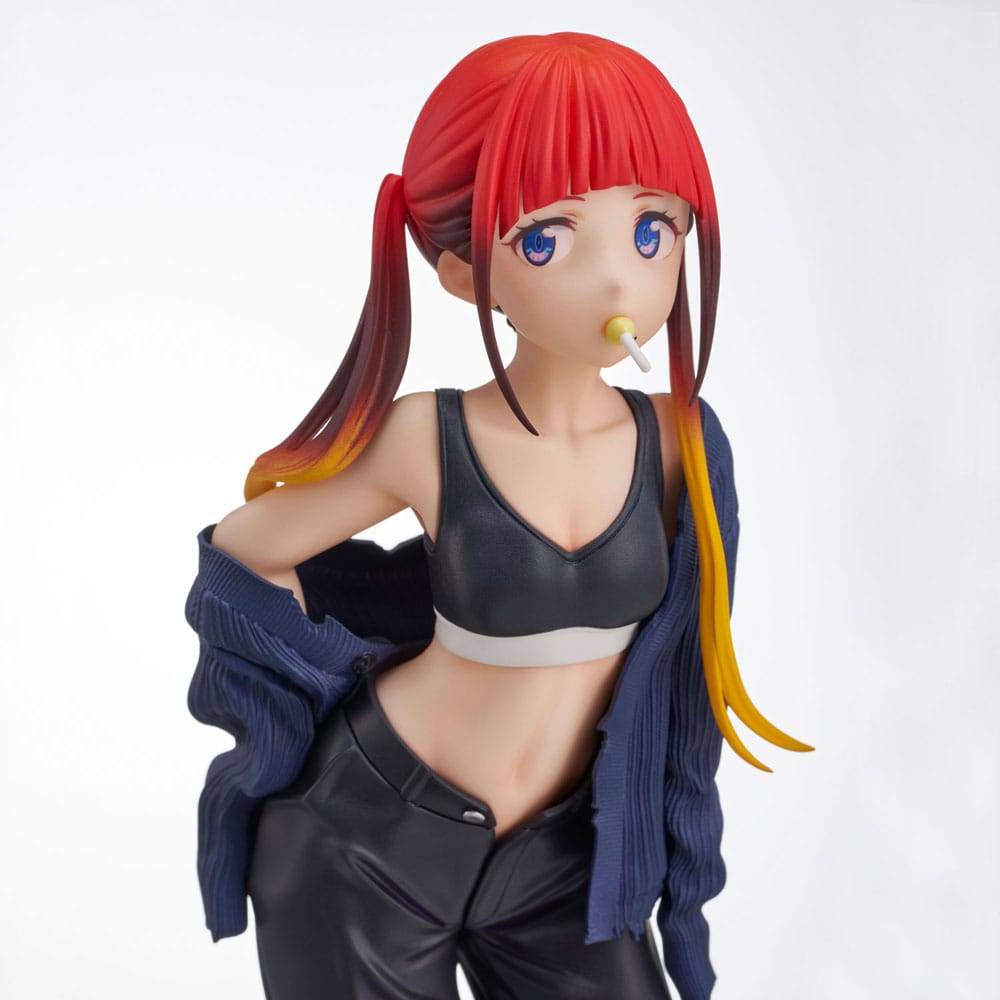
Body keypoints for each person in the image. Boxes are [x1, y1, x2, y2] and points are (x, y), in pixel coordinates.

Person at [186, 32, 811, 1000]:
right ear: (461, 270)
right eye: (548, 239)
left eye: (652, 228)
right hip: (366, 838)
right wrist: (344, 660)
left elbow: (684, 687)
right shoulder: (425, 438)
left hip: (562, 862)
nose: (619, 280)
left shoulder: (682, 447)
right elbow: (242, 556)